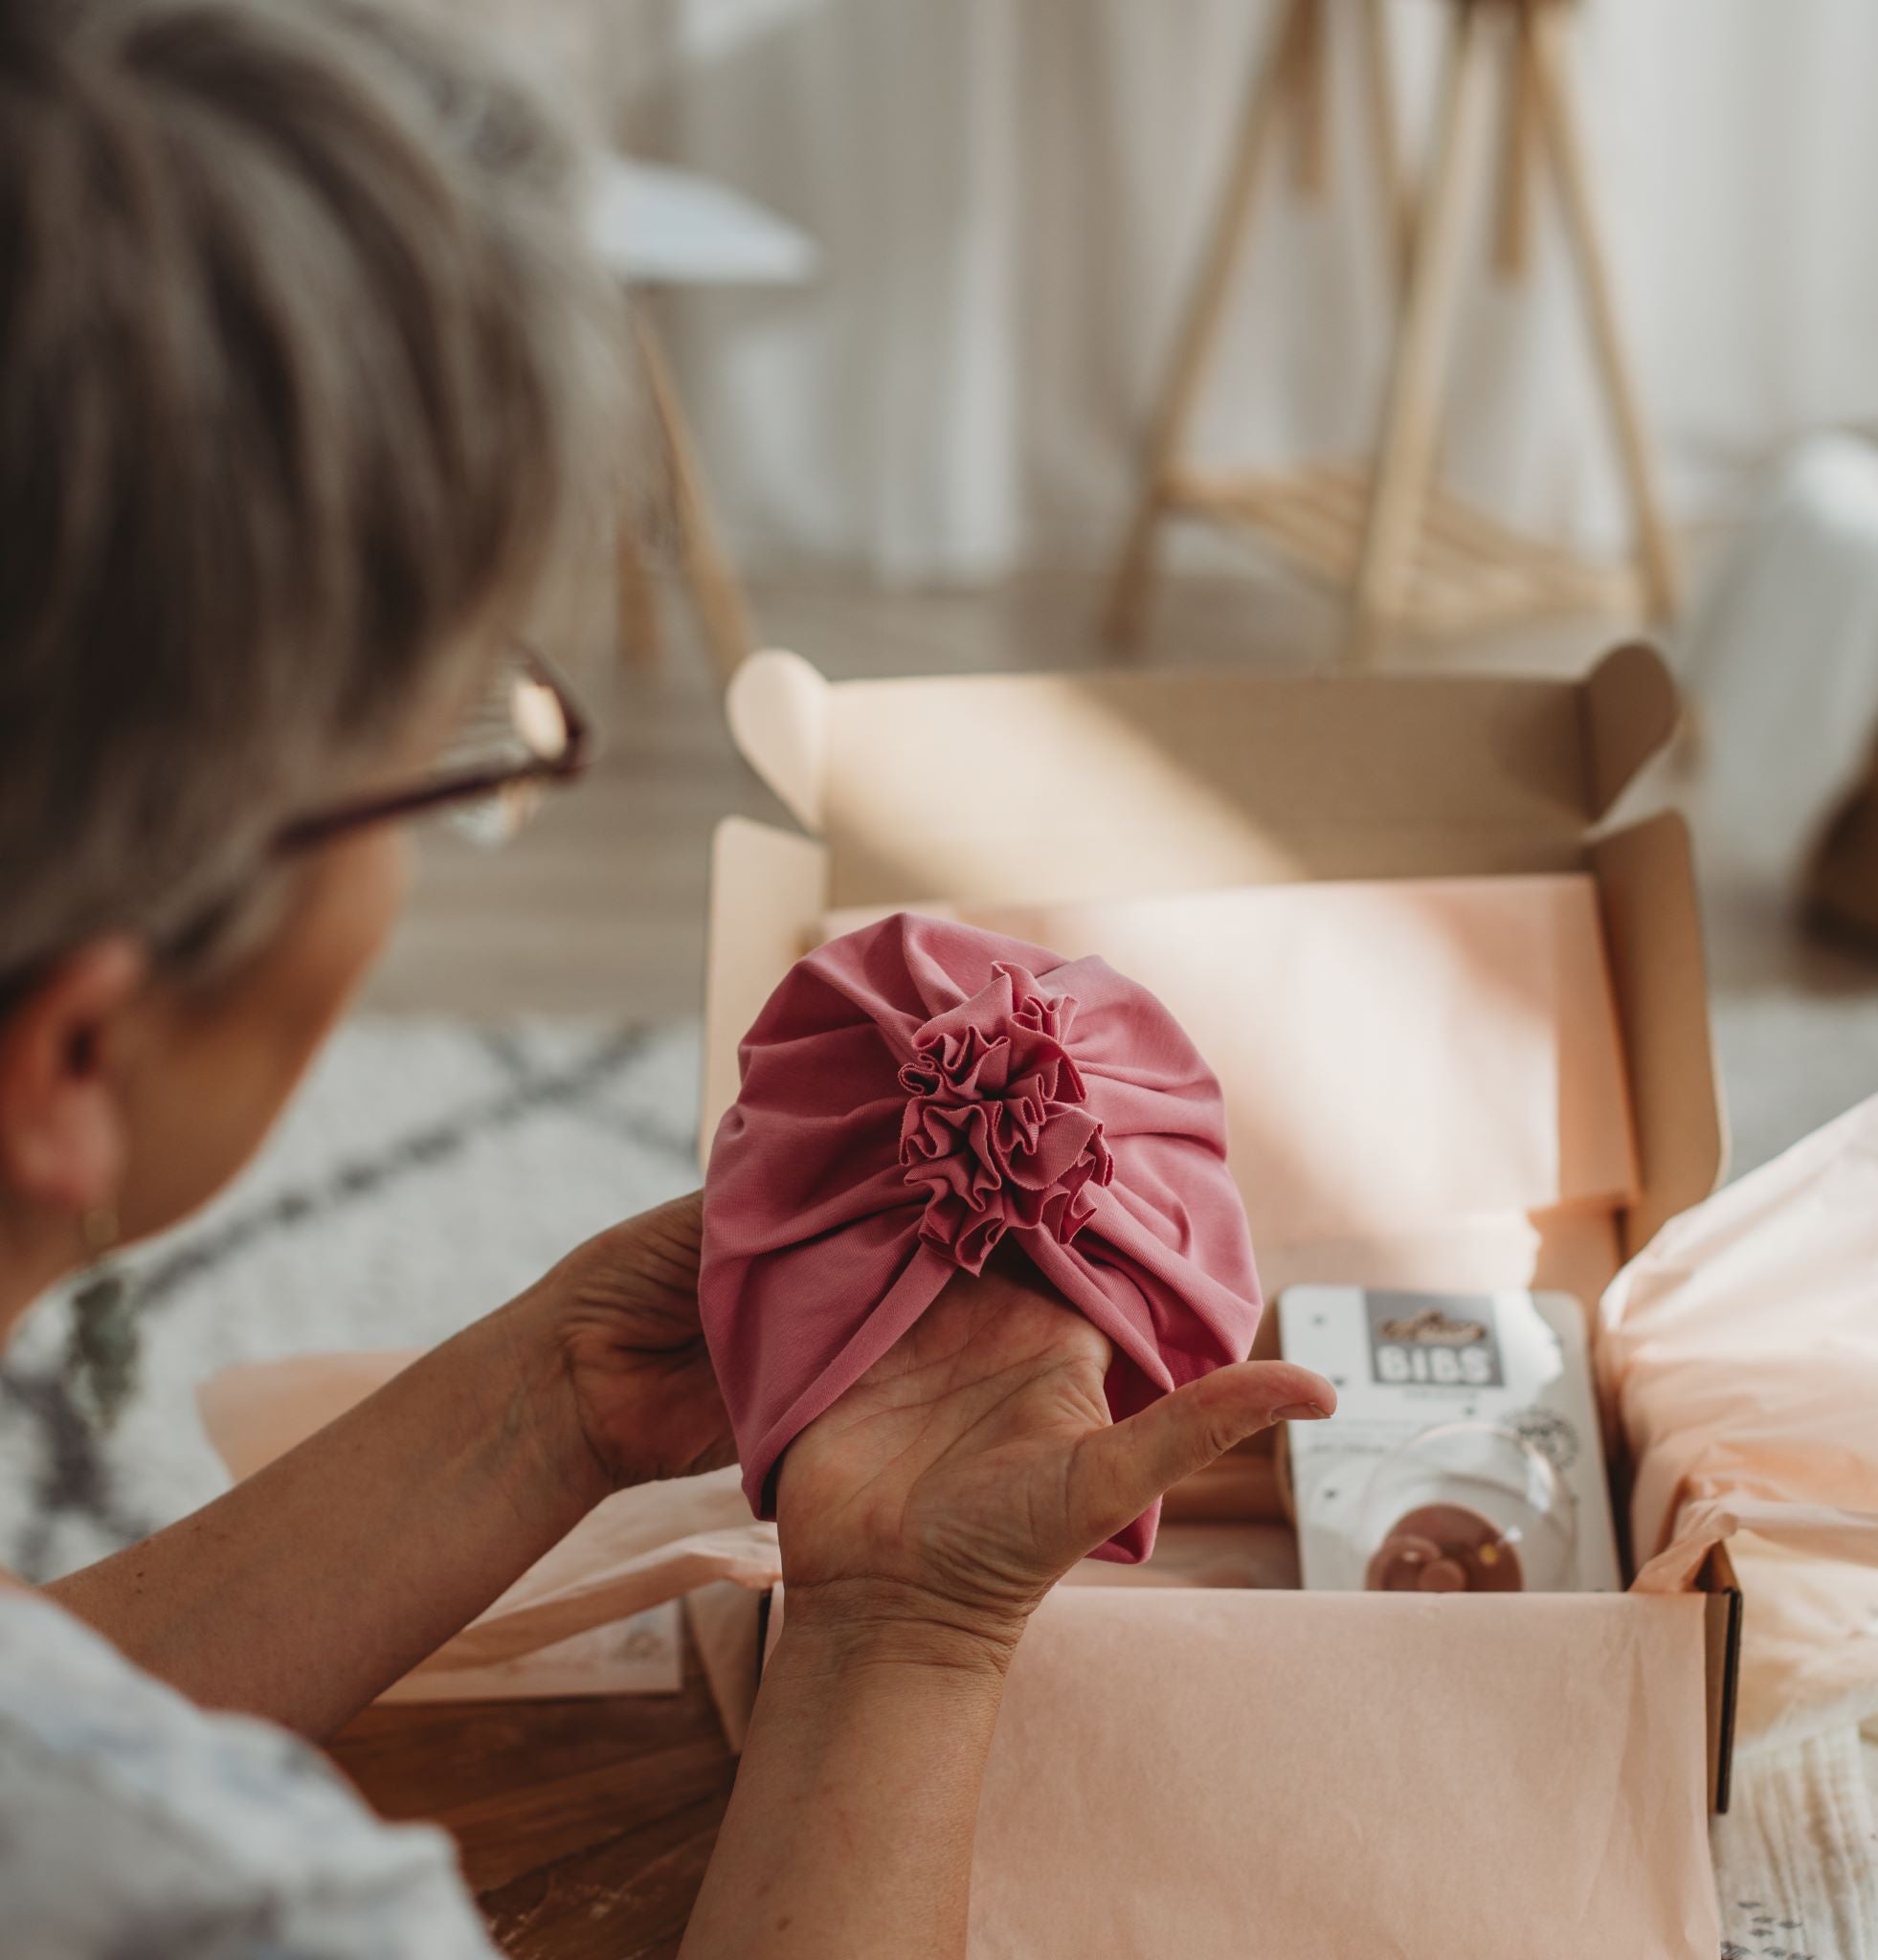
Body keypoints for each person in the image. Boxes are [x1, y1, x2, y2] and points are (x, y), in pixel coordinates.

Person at [0, 4, 1335, 1955]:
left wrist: (542, 1399)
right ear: (79, 1051)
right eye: (443, 759)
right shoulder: (245, 1907)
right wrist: (903, 1634)